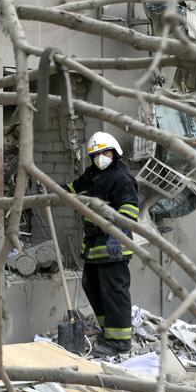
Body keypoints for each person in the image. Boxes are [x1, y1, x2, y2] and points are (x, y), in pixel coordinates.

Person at [66, 131, 140, 357]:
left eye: (105, 153)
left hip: (114, 246)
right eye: (96, 154)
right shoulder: (93, 174)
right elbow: (72, 188)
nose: (101, 158)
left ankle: (119, 342)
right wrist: (52, 190)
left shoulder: (122, 178)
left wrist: (106, 221)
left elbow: (129, 212)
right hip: (94, 246)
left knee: (114, 292)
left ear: (115, 153)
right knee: (92, 286)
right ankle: (108, 332)